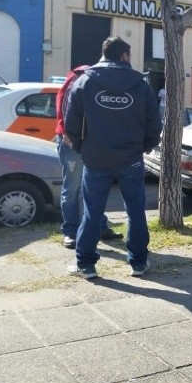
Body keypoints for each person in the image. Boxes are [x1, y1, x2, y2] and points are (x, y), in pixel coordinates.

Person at [64, 36, 162, 279]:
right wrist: (146, 146)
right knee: (135, 211)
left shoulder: (84, 81)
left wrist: (81, 147)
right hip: (131, 159)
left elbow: (71, 122)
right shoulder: (140, 84)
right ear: (124, 55)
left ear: (103, 54)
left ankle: (85, 265)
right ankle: (138, 263)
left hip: (96, 158)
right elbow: (154, 123)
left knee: (92, 212)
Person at [54, 64, 122, 249]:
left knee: (93, 188)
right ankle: (71, 231)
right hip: (73, 143)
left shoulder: (95, 81)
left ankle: (99, 227)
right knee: (73, 188)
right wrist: (67, 133)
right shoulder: (78, 79)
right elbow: (63, 108)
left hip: (91, 144)